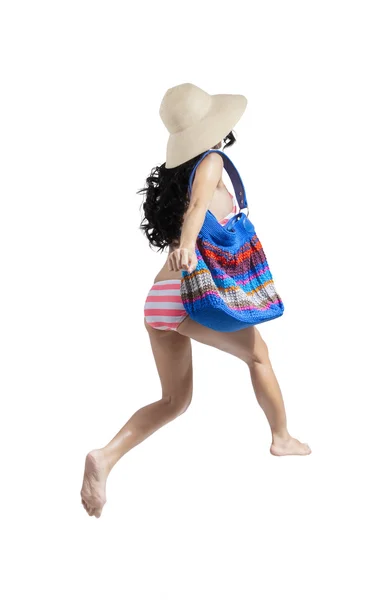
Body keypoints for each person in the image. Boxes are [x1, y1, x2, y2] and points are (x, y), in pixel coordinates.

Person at [81, 83, 311, 518]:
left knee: (175, 401)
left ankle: (105, 456)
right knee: (259, 356)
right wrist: (187, 244)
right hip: (187, 293)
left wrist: (185, 244)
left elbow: (192, 210)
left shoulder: (177, 177)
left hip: (160, 301)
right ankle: (282, 437)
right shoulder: (211, 161)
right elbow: (198, 210)